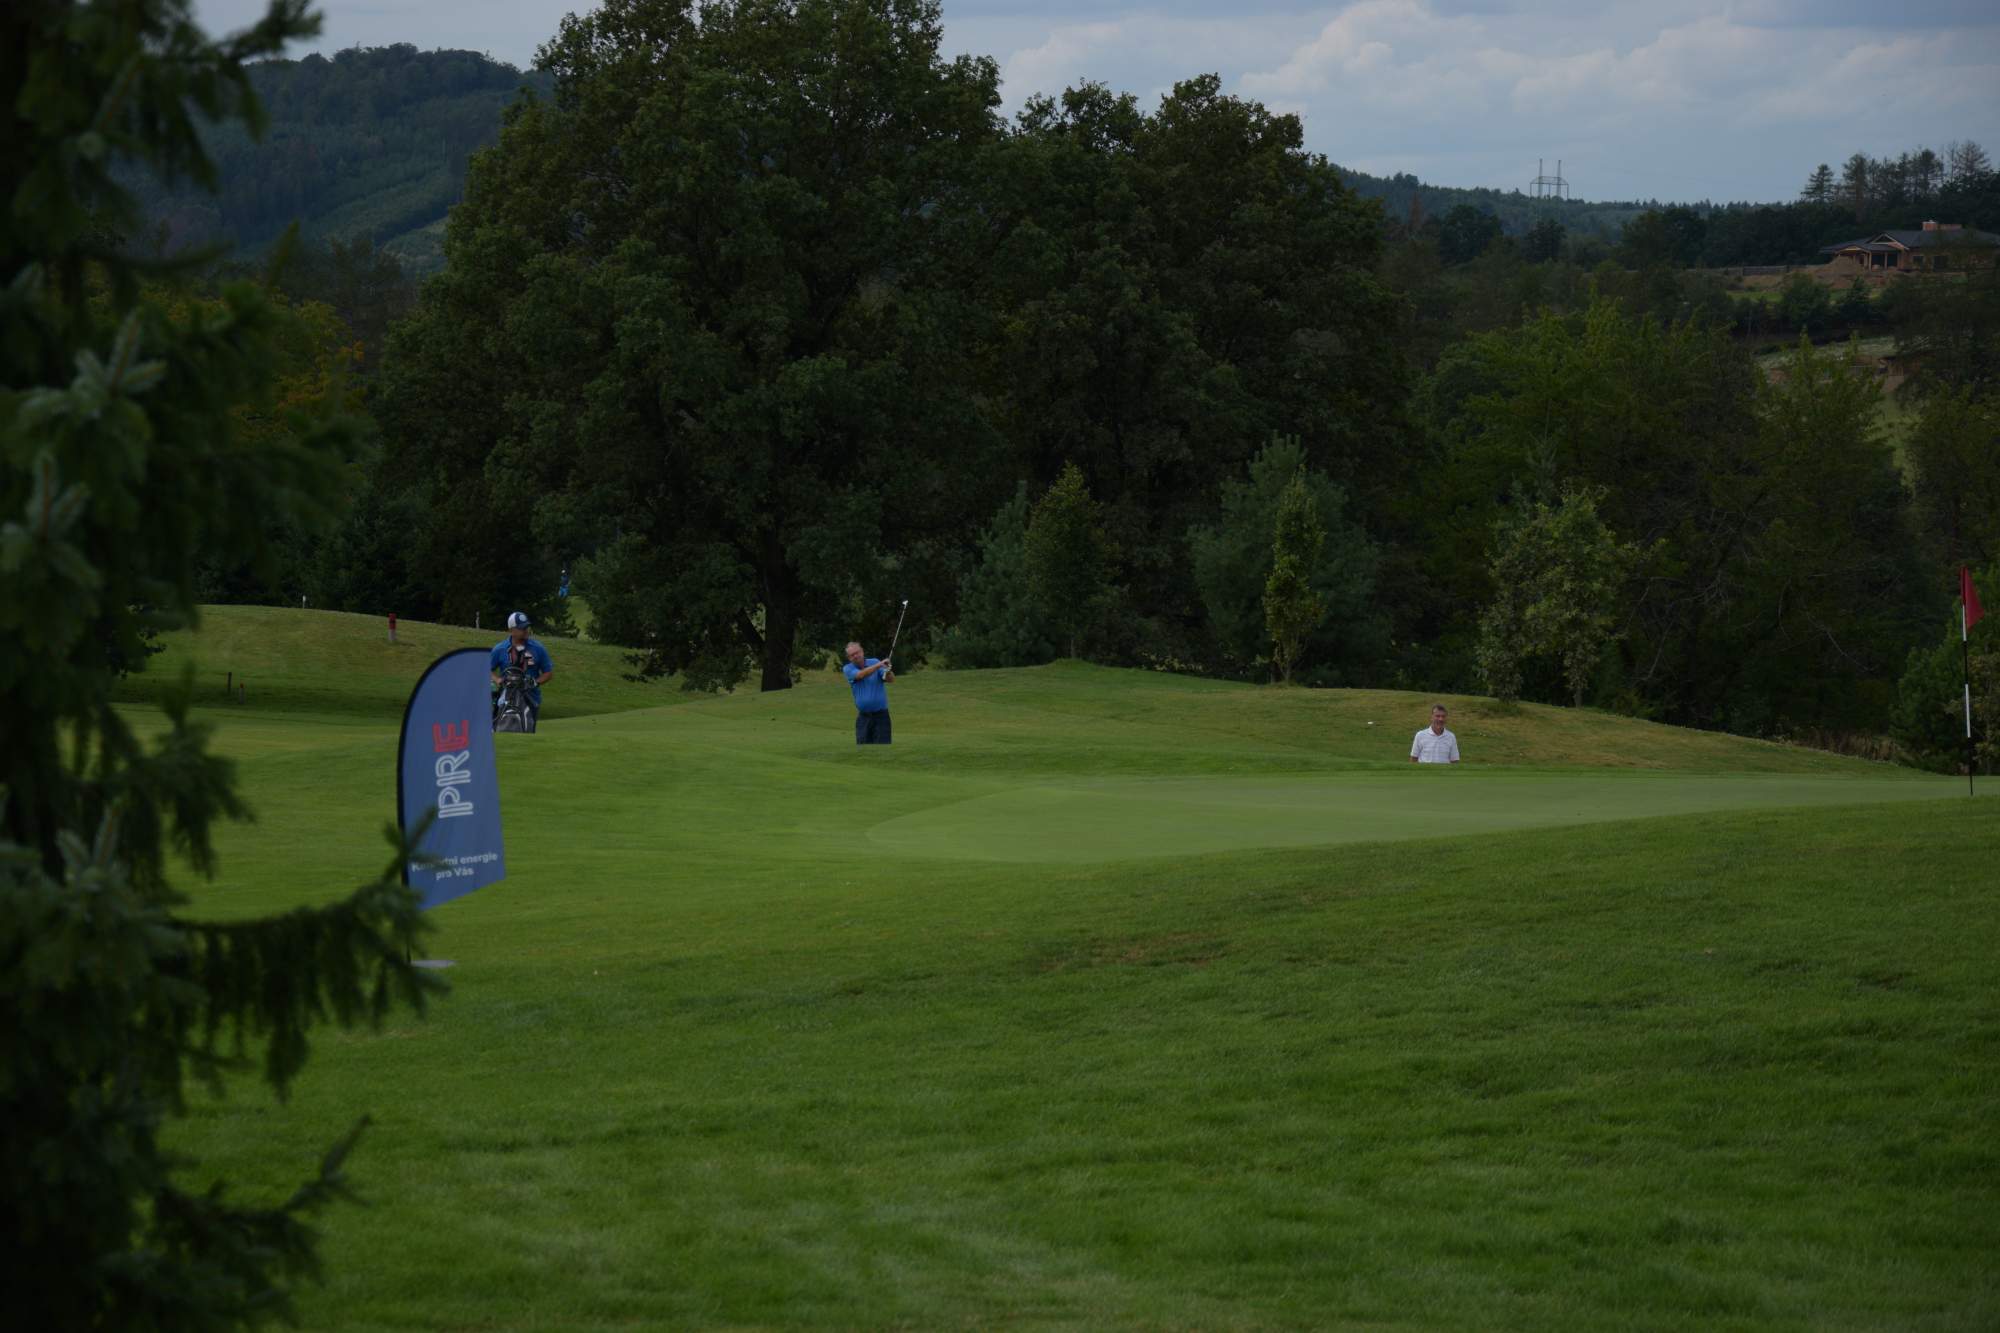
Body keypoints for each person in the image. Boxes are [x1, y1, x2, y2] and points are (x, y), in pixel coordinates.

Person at [490, 611, 554, 731]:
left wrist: (535, 682)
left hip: (531, 698)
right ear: (511, 630)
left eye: (526, 627)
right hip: (506, 697)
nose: (525, 631)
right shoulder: (500, 649)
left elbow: (548, 673)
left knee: (527, 730)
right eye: (521, 628)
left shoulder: (538, 648)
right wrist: (498, 679)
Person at [843, 640, 894, 745]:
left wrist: (888, 671)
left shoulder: (874, 662)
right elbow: (860, 675)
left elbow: (890, 680)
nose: (856, 656)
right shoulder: (848, 668)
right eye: (852, 655)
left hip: (881, 716)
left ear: (862, 651)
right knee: (863, 749)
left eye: (857, 652)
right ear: (849, 658)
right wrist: (879, 665)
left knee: (882, 749)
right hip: (864, 717)